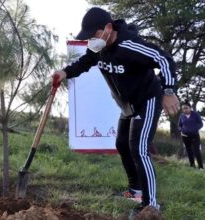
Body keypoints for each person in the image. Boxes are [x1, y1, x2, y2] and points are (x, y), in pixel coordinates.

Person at [53, 7, 180, 213]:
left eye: (94, 35)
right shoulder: (99, 48)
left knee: (140, 149)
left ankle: (151, 205)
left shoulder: (130, 45)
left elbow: (164, 59)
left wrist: (168, 90)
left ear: (108, 28)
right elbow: (85, 62)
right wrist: (65, 72)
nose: (91, 41)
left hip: (146, 100)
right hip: (127, 105)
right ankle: (135, 190)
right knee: (122, 144)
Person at [178, 102, 204, 169]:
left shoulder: (196, 115)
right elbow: (179, 125)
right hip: (185, 136)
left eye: (186, 108)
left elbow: (201, 124)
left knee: (196, 151)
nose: (185, 110)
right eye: (183, 109)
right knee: (189, 151)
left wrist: (194, 129)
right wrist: (181, 130)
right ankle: (192, 166)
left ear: (190, 108)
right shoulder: (181, 116)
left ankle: (200, 167)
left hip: (195, 135)